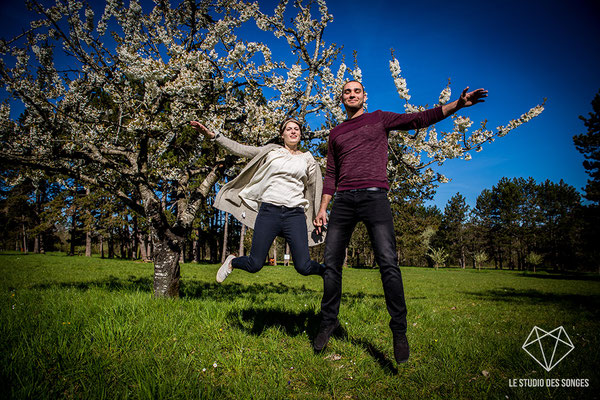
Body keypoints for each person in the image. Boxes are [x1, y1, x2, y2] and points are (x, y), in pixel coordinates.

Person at [312, 80, 488, 363]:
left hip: (374, 196)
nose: (352, 94)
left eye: (357, 90)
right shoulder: (336, 133)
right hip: (343, 201)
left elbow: (418, 119)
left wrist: (457, 105)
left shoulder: (379, 118)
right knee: (331, 264)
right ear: (341, 98)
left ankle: (399, 329)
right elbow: (331, 173)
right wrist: (323, 208)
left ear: (364, 96)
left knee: (388, 263)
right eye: (347, 91)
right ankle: (328, 321)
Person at [190, 118, 325, 283]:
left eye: (296, 129)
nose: (293, 132)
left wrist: (319, 214)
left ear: (300, 134)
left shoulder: (308, 159)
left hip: (295, 214)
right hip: (269, 212)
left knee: (304, 267)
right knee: (254, 264)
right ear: (282, 135)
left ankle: (328, 272)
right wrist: (213, 135)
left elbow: (315, 190)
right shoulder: (271, 152)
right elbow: (241, 150)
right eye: (288, 129)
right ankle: (232, 262)